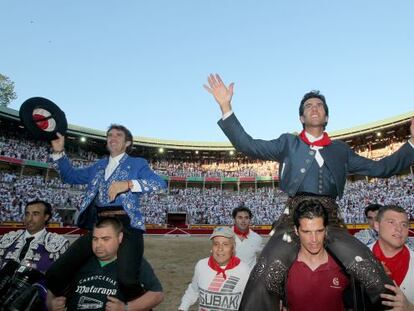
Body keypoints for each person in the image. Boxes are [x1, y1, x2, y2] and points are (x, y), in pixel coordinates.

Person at [204, 73, 414, 310]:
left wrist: (412, 144)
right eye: (308, 106)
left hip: (331, 220)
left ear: (326, 116)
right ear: (302, 117)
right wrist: (225, 105)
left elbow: (381, 167)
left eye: (319, 105)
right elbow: (248, 145)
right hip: (292, 217)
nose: (314, 108)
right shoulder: (288, 143)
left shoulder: (340, 150)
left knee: (368, 268)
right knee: (266, 271)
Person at [46, 124, 166, 302]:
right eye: (110, 135)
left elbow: (160, 184)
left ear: (127, 143)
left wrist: (128, 184)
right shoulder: (99, 166)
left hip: (126, 225)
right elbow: (70, 176)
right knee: (55, 273)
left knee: (127, 279)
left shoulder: (137, 163)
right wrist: (58, 151)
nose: (113, 138)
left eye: (118, 135)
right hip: (100, 224)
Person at [47, 217, 164, 311]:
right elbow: (53, 286)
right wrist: (51, 304)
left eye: (105, 239)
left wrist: (127, 308)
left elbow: (157, 295)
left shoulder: (133, 261)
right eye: (95, 239)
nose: (98, 245)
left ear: (120, 238)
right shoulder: (79, 260)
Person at [0, 200, 69, 309]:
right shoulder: (7, 239)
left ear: (46, 217)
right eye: (27, 214)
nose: (29, 219)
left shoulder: (59, 243)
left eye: (35, 214)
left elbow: (62, 282)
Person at [286, 199, 349, 311]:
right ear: (296, 231)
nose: (314, 239)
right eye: (307, 232)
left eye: (319, 231)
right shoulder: (284, 268)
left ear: (326, 230)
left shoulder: (344, 265)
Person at [178, 226, 250, 311]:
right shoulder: (201, 265)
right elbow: (193, 290)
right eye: (216, 244)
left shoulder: (244, 270)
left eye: (225, 244)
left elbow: (252, 300)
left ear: (233, 248)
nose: (220, 248)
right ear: (212, 247)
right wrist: (183, 307)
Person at [368, 205, 414, 309]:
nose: (399, 229)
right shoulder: (357, 259)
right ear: (377, 225)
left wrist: (410, 308)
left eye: (404, 224)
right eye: (391, 222)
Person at [232, 206, 263, 270]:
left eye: (246, 218)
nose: (243, 221)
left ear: (250, 220)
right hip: (229, 277)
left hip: (249, 279)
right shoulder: (225, 235)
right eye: (240, 217)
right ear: (234, 219)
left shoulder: (257, 238)